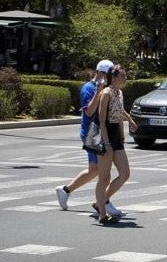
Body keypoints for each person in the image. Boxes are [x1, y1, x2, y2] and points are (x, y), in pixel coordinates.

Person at [56, 60, 113, 212]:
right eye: (107, 74)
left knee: (94, 170)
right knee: (104, 171)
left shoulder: (108, 89)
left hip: (100, 132)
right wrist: (99, 91)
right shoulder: (88, 88)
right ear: (99, 73)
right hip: (91, 133)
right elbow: (89, 111)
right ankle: (103, 203)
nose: (109, 78)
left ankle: (65, 190)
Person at [94, 64, 138, 224]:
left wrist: (130, 120)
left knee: (125, 173)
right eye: (123, 76)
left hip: (116, 136)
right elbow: (101, 119)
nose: (125, 78)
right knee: (104, 177)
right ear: (114, 77)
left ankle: (101, 201)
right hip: (104, 134)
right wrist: (106, 142)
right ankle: (102, 214)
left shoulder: (119, 92)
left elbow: (120, 110)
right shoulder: (105, 93)